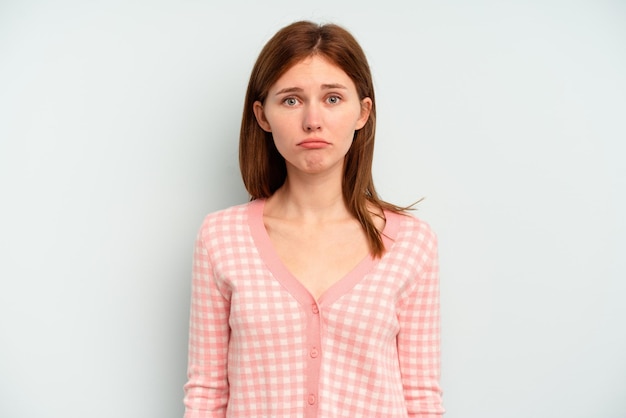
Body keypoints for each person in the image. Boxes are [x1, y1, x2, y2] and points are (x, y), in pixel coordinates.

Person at [183, 20, 444, 418]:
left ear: (363, 112)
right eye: (291, 100)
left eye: (333, 98)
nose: (312, 120)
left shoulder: (410, 243)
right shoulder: (221, 237)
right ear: (262, 115)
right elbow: (207, 395)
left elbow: (421, 399)